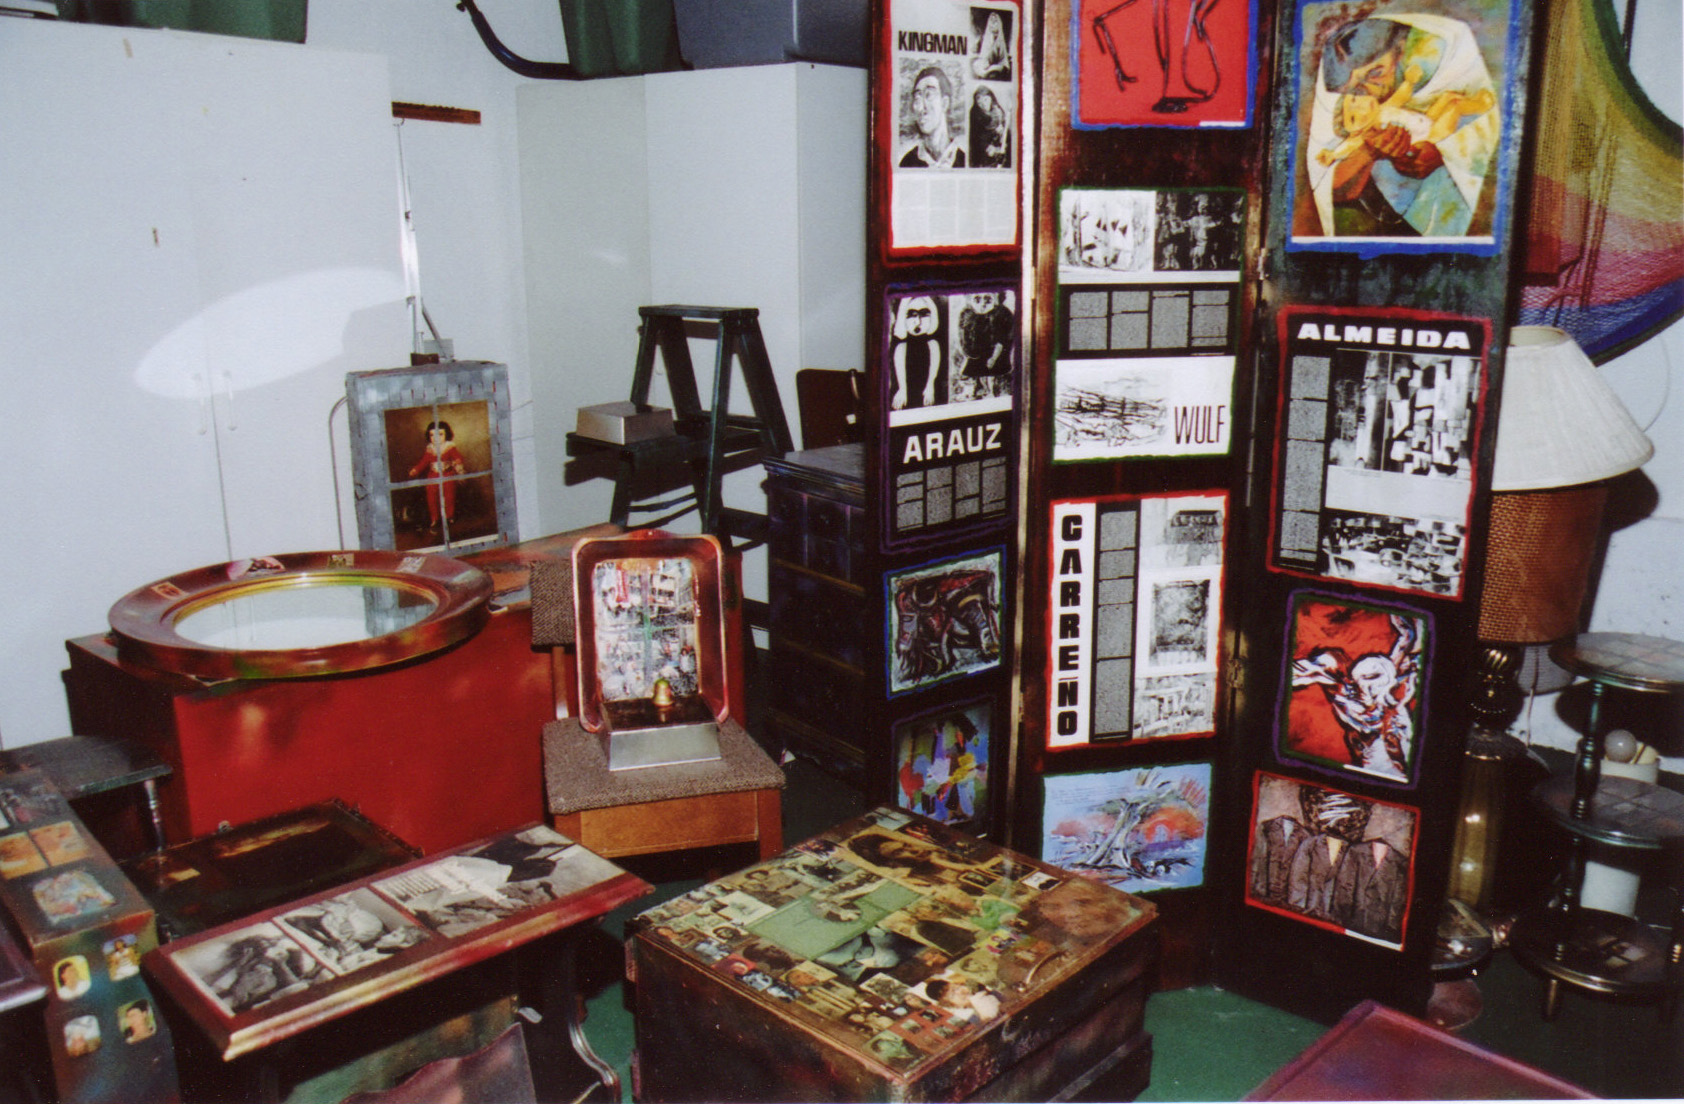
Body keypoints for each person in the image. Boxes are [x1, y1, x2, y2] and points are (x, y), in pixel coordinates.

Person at [1306, 13, 1498, 238]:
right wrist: (1368, 152)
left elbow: (1495, 130)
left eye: (1376, 73)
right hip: (1392, 214)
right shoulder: (1339, 96)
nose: (1370, 91)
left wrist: (1444, 153)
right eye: (1356, 86)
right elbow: (1326, 182)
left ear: (1400, 48)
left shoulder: (1451, 53)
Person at [900, 66, 966, 168]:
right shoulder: (908, 162)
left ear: (944, 103)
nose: (921, 108)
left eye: (929, 95)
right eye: (917, 99)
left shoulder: (964, 160)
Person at [406, 419, 467, 529]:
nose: (436, 438)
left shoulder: (449, 447)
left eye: (440, 434)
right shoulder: (430, 449)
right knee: (431, 497)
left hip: (447, 474)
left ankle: (449, 516)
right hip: (433, 475)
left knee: (449, 496)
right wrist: (416, 470)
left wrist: (457, 461)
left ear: (447, 435)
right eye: (432, 435)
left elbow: (458, 457)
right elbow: (424, 462)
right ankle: (435, 518)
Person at [890, 295, 944, 410]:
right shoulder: (901, 347)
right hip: (907, 395)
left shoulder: (933, 344)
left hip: (928, 395)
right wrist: (902, 390)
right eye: (911, 314)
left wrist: (930, 387)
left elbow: (934, 371)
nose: (918, 321)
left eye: (924, 314)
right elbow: (899, 371)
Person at [968, 86, 1010, 168]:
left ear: (991, 99)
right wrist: (987, 146)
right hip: (984, 153)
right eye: (980, 103)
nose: (984, 105)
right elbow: (976, 138)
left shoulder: (998, 111)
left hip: (1000, 146)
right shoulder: (975, 115)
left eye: (986, 100)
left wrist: (1002, 131)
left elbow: (1005, 129)